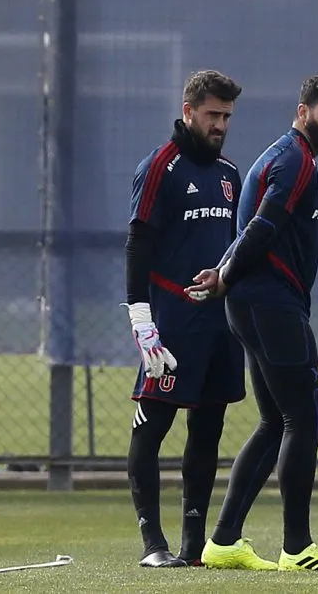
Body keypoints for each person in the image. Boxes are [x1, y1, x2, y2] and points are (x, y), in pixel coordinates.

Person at [184, 73, 318, 574]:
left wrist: (223, 272)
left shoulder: (280, 155)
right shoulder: (295, 160)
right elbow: (262, 226)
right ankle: (297, 547)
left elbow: (251, 228)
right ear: (304, 111)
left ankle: (222, 542)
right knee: (305, 419)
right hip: (271, 304)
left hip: (254, 302)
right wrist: (226, 274)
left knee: (275, 420)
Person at [124, 69, 246, 568]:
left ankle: (193, 548)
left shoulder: (231, 174)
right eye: (213, 115)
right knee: (150, 431)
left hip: (221, 326)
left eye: (227, 117)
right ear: (189, 110)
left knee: (208, 430)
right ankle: (154, 546)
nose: (220, 125)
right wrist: (141, 318)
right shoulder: (159, 167)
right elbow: (138, 243)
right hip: (171, 325)